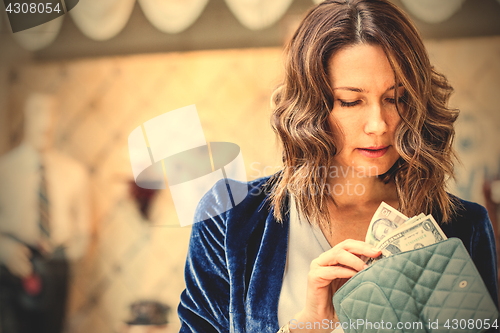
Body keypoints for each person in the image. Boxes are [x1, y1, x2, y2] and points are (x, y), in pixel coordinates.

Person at [177, 1, 499, 332]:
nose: (378, 125)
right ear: (311, 107)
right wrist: (304, 328)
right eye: (350, 101)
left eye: (396, 98)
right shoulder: (230, 217)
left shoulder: (465, 227)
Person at [0, 92, 90, 333]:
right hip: (14, 265)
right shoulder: (5, 171)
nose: (45, 120)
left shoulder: (73, 172)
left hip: (56, 265)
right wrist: (4, 249)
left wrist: (63, 257)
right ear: (25, 115)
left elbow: (83, 229)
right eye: (37, 111)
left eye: (50, 112)